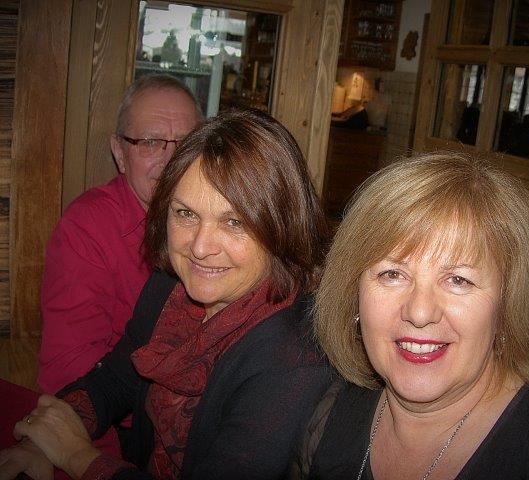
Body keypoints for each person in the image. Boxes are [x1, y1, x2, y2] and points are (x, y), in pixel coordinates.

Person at [1, 109, 332, 480]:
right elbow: (117, 378)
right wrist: (44, 438)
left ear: (281, 226)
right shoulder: (170, 288)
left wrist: (77, 455)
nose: (200, 248)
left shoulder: (294, 358)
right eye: (186, 214)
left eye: (234, 221)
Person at [291, 153, 529, 479]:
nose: (420, 312)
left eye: (458, 280)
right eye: (392, 274)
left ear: (506, 306)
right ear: (354, 296)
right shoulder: (327, 416)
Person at [38, 74, 201, 395]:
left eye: (185, 144)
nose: (171, 161)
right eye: (151, 142)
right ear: (120, 153)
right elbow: (70, 370)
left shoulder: (219, 223)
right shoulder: (87, 227)